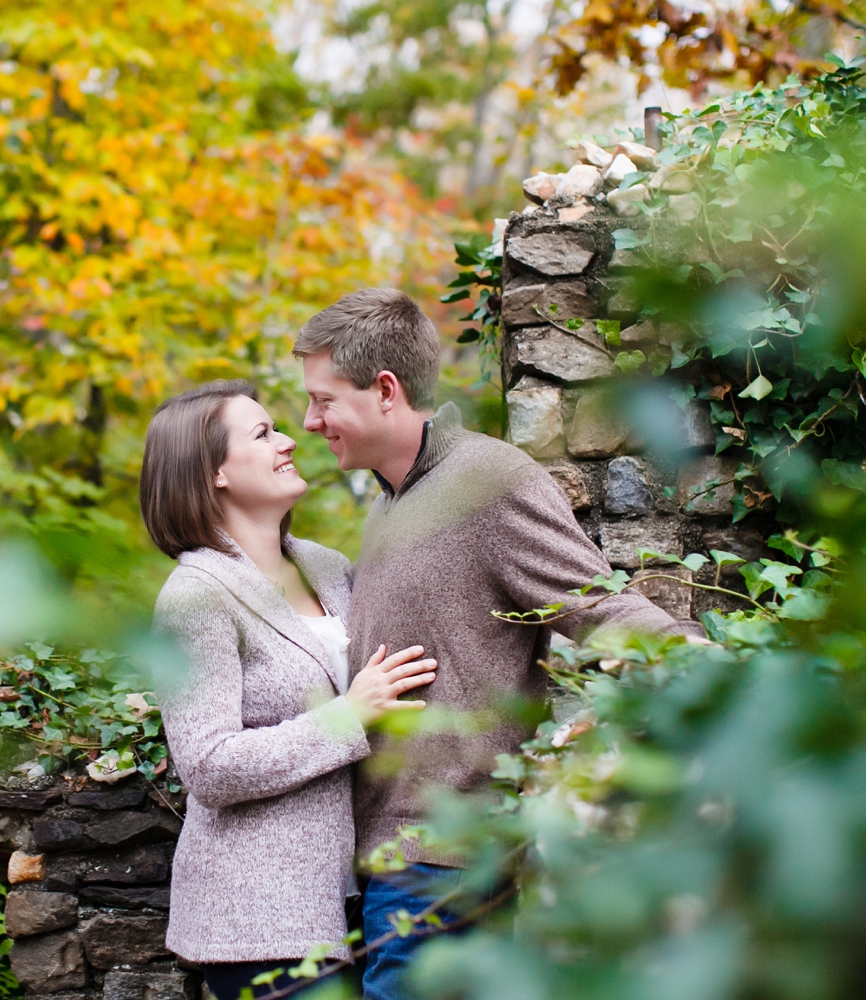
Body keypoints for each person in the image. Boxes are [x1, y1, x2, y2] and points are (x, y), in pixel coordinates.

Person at [293, 288, 704, 1000]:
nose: (309, 420)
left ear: (385, 390)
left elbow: (593, 603)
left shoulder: (488, 479)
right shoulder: (390, 503)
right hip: (385, 860)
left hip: (443, 860)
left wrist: (711, 670)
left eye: (324, 400)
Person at [140, 380, 437, 1000]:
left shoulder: (328, 566)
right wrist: (348, 715)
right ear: (213, 472)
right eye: (262, 433)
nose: (288, 440)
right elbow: (208, 766)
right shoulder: (195, 597)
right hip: (260, 918)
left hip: (361, 897)